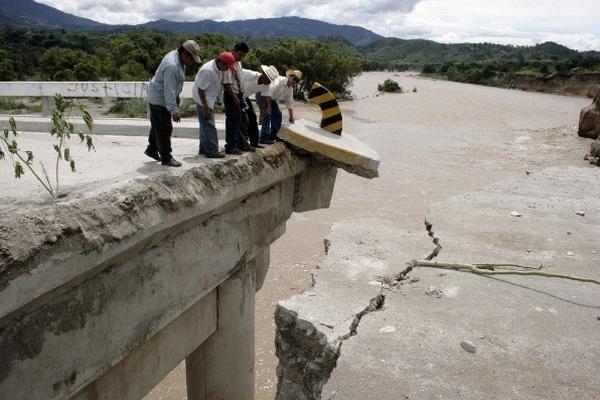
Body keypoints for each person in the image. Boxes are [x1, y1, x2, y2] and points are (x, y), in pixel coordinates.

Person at [145, 40, 201, 167]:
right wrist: (174, 111)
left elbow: (173, 86)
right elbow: (168, 90)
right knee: (165, 128)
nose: (191, 62)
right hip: (160, 100)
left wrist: (176, 96)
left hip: (159, 97)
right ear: (185, 54)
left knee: (157, 125)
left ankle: (152, 149)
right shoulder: (172, 65)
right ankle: (166, 157)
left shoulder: (177, 58)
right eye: (191, 59)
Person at [193, 52, 236, 158]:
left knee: (205, 125)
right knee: (209, 126)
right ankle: (212, 151)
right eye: (226, 66)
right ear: (220, 62)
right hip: (203, 100)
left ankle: (203, 149)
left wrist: (219, 100)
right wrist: (205, 107)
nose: (227, 69)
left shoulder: (220, 68)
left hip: (209, 98)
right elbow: (201, 90)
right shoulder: (208, 71)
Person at [257, 69, 302, 144]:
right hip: (263, 94)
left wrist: (291, 117)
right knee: (267, 113)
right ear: (290, 76)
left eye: (296, 81)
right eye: (294, 79)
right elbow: (268, 92)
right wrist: (269, 108)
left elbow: (290, 103)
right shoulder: (279, 81)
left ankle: (273, 135)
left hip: (272, 99)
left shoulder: (290, 89)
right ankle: (264, 137)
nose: (294, 81)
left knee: (278, 114)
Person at [222, 42, 252, 154]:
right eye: (240, 54)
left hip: (238, 95)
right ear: (234, 51)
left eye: (244, 56)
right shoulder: (229, 61)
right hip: (231, 95)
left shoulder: (238, 63)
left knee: (242, 120)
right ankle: (231, 146)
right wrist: (234, 97)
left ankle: (241, 143)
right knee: (232, 121)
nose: (241, 58)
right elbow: (227, 83)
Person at [240, 65, 279, 148]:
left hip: (244, 98)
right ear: (263, 74)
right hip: (235, 94)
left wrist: (261, 115)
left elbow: (264, 100)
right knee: (243, 119)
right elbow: (235, 73)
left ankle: (254, 143)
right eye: (268, 79)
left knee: (253, 118)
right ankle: (242, 143)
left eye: (271, 80)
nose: (269, 82)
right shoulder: (250, 74)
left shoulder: (266, 86)